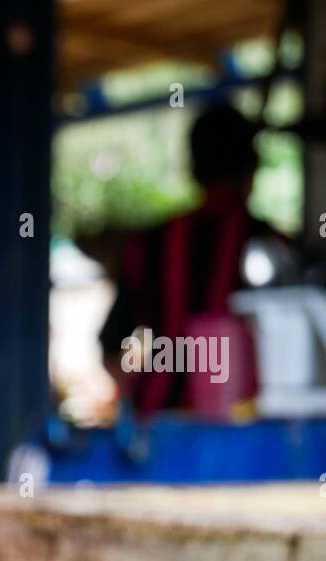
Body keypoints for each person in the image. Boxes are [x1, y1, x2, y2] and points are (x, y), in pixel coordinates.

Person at [98, 103, 280, 415]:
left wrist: (144, 397)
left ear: (194, 169)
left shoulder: (150, 242)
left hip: (161, 425)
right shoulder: (273, 247)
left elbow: (111, 346)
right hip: (246, 431)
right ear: (252, 168)